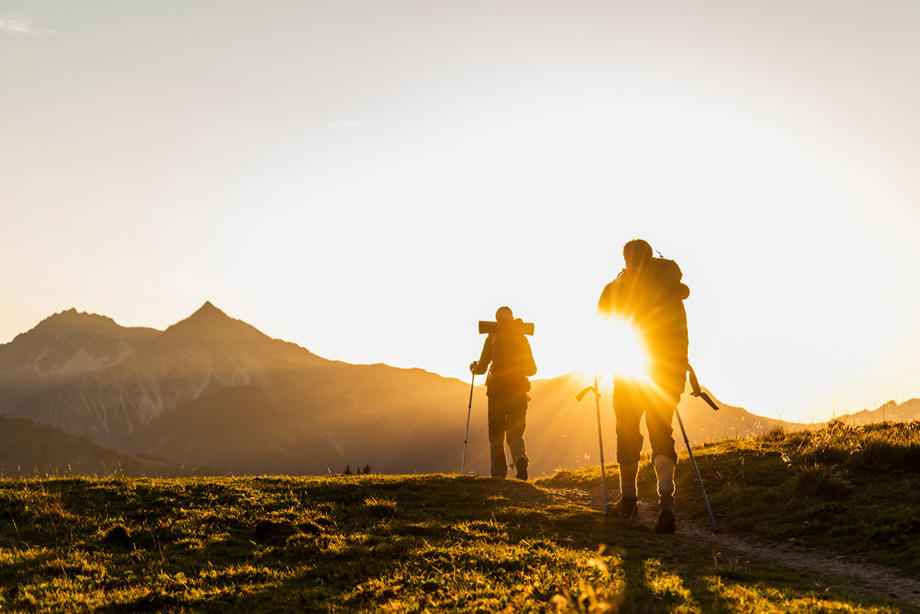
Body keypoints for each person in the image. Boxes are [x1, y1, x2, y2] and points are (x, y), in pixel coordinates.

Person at [597, 239, 690, 534]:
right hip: (668, 370)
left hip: (629, 369)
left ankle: (628, 500)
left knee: (627, 430)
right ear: (651, 258)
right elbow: (681, 330)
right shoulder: (670, 286)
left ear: (625, 258)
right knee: (661, 430)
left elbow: (605, 324)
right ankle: (666, 500)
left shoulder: (616, 287)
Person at [470, 306, 537, 480]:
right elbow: (532, 369)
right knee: (515, 434)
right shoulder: (522, 339)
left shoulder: (492, 337)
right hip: (519, 393)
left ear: (496, 320)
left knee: (496, 435)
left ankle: (499, 475)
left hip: (496, 394)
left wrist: (474, 368)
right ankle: (520, 459)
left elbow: (482, 367)